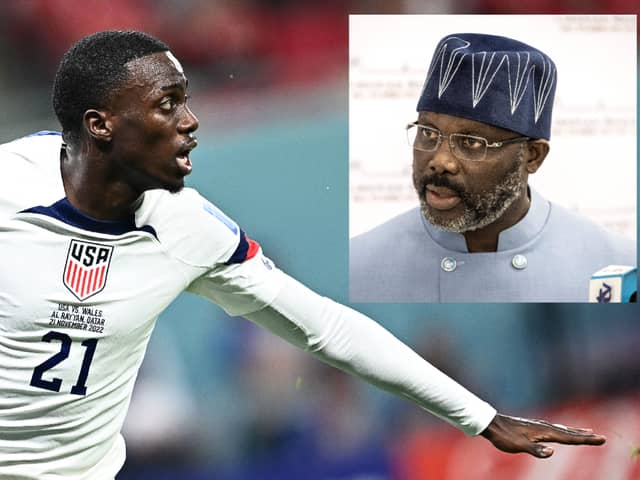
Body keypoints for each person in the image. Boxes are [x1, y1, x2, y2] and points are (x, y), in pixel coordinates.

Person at [0, 31, 605, 479]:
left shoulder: (189, 229)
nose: (191, 122)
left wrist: (481, 417)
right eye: (167, 106)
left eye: (187, 100)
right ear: (100, 125)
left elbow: (328, 328)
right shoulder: (9, 190)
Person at [349, 33, 636, 302]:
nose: (440, 161)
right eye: (428, 133)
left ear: (532, 156)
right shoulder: (359, 263)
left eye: (471, 142)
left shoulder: (618, 267)